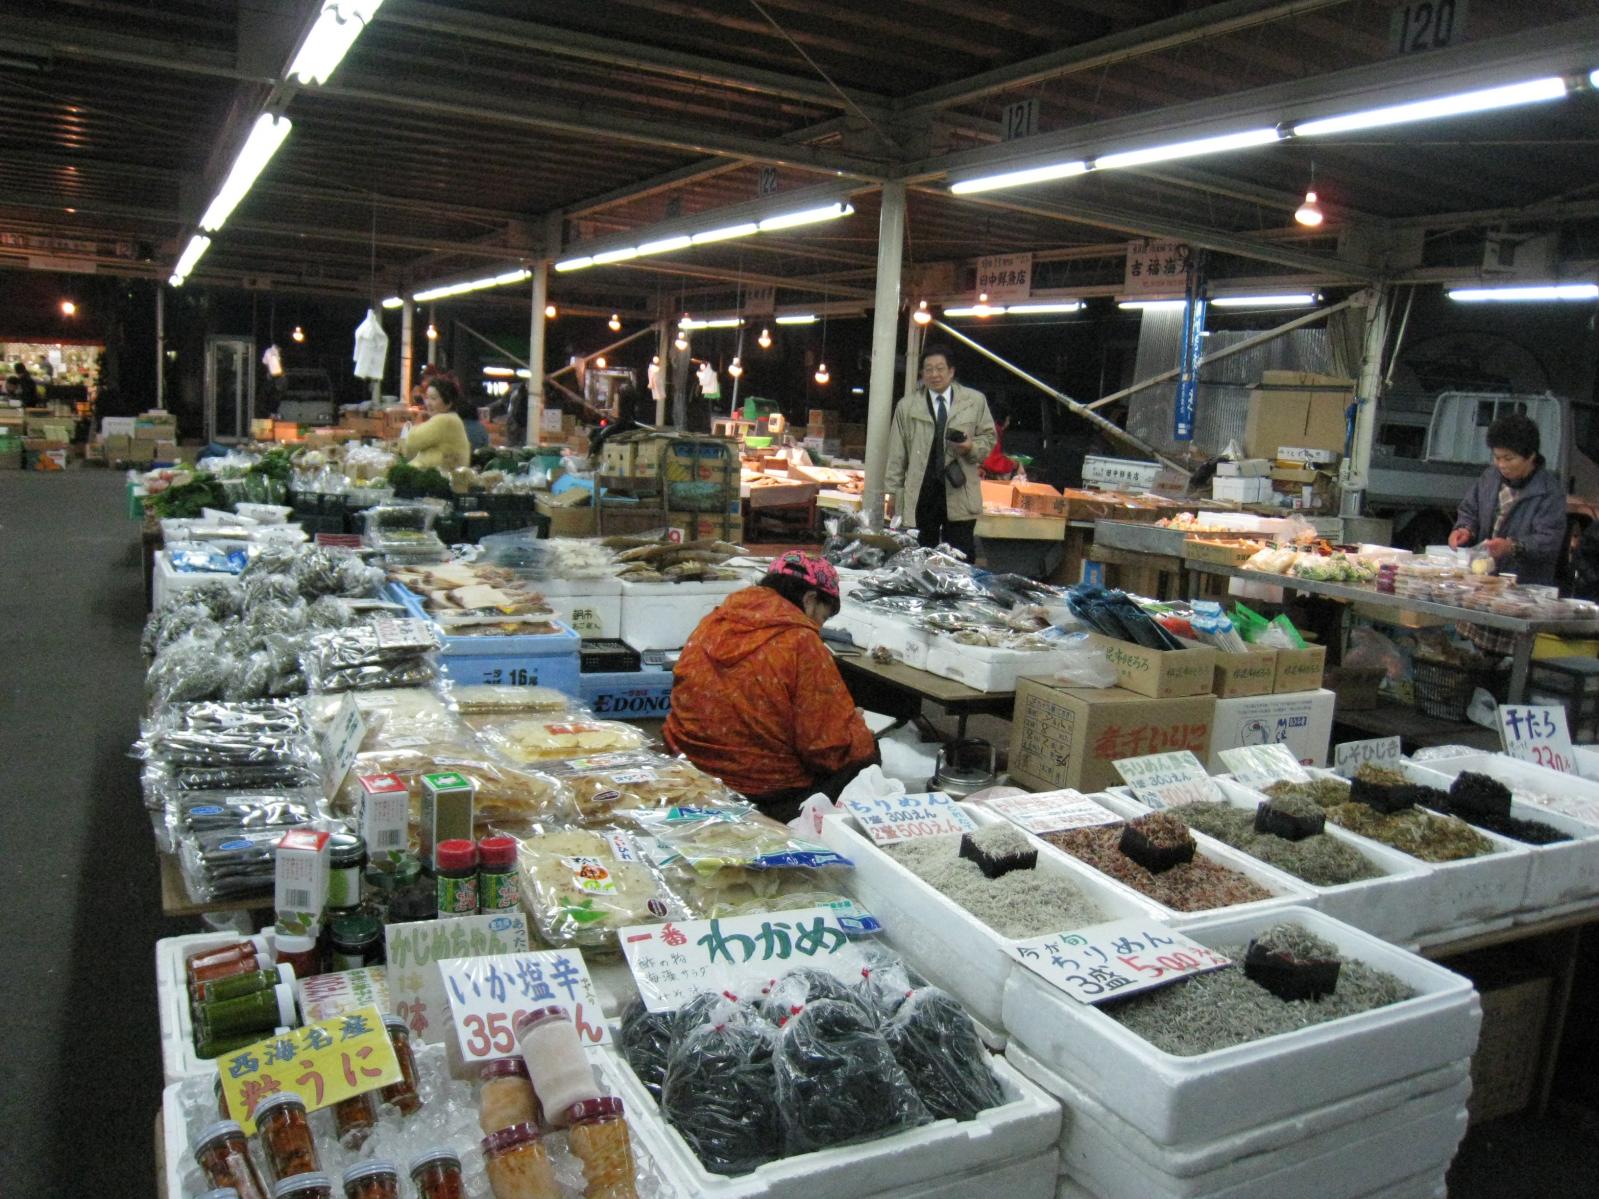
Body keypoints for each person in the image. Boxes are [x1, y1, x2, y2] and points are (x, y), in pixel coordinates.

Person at [664, 551, 879, 821]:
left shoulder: (716, 619)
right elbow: (826, 749)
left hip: (689, 768)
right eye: (822, 617)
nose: (819, 626)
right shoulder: (800, 641)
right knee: (867, 757)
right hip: (763, 792)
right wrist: (854, 728)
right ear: (810, 600)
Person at [1449, 411, 1567, 656]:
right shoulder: (1490, 478)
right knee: (1470, 657)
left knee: (1505, 665)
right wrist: (1464, 529)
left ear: (1530, 456)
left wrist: (1512, 546)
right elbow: (1470, 510)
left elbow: (1549, 540)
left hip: (1521, 594)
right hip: (1482, 588)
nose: (1501, 465)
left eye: (1509, 458)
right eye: (1497, 457)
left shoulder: (1549, 491)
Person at [883, 345, 996, 561]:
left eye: (940, 368)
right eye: (928, 369)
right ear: (922, 373)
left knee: (961, 557)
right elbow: (897, 454)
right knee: (919, 556)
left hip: (959, 489)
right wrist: (893, 493)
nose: (934, 375)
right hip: (921, 493)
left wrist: (971, 448)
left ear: (951, 371)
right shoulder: (907, 407)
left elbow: (988, 439)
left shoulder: (974, 402)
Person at [401, 375, 472, 471]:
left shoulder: (444, 420)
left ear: (448, 403)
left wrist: (417, 423)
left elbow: (412, 441)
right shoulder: (452, 419)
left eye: (433, 398)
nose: (428, 403)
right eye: (427, 398)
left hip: (436, 477)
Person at [588, 383, 646, 459]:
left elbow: (592, 451)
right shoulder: (638, 427)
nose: (613, 405)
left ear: (621, 405)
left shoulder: (617, 429)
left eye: (615, 402)